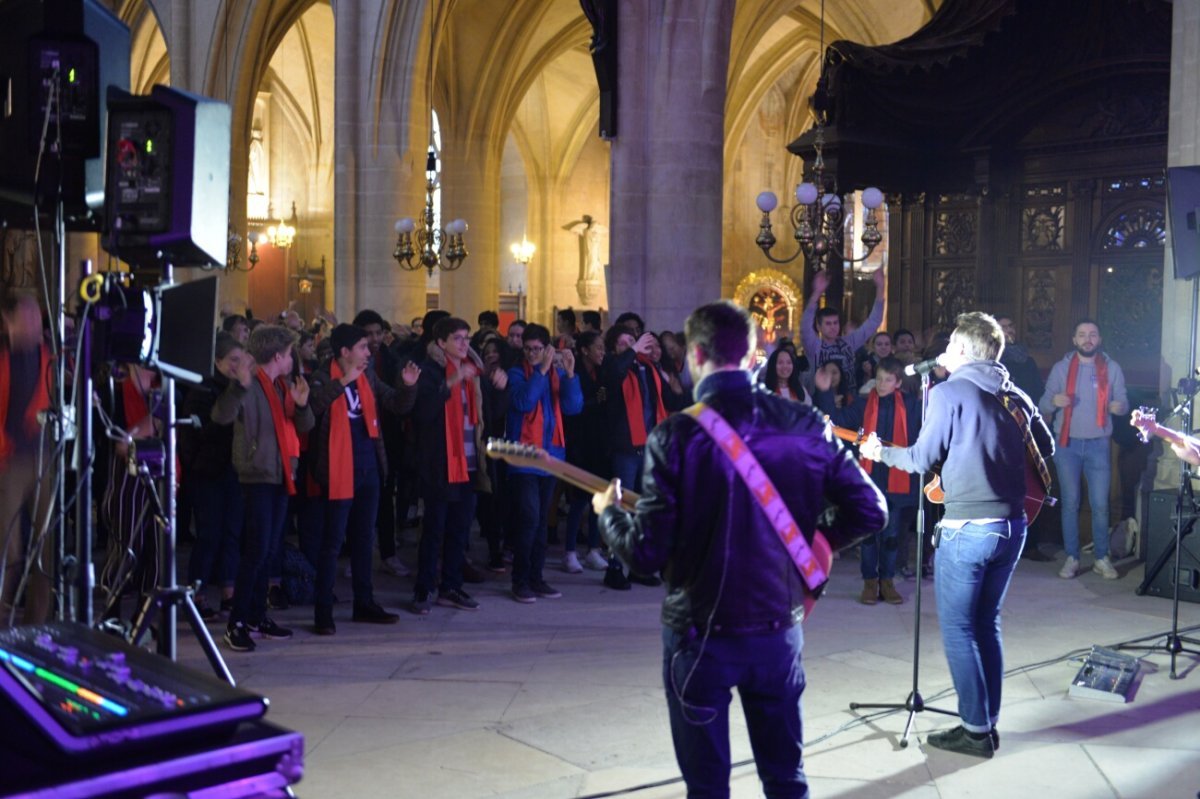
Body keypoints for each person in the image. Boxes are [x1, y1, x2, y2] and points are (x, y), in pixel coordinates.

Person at [594, 300, 886, 797]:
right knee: (786, 780)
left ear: (695, 354)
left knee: (707, 788)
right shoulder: (806, 423)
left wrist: (609, 516)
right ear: (754, 356)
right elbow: (871, 510)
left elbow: (645, 553)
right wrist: (815, 541)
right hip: (777, 627)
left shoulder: (676, 433)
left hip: (700, 632)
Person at [861, 311, 1054, 758]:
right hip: (1012, 527)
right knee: (988, 623)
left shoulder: (949, 393)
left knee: (959, 629)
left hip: (967, 528)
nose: (943, 352)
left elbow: (919, 458)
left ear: (964, 351)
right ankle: (986, 722)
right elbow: (1046, 448)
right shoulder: (1015, 394)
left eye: (950, 345)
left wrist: (879, 451)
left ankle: (973, 731)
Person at [305, 324, 419, 633]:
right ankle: (323, 610)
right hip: (339, 469)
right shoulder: (321, 376)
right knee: (331, 543)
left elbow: (395, 404)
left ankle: (364, 603)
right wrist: (343, 382)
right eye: (363, 348)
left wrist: (408, 387)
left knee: (364, 539)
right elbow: (312, 409)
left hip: (369, 466)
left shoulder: (368, 376)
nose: (370, 352)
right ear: (345, 352)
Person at [213, 324, 314, 652]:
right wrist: (238, 388)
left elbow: (306, 426)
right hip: (257, 475)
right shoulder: (250, 384)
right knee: (256, 552)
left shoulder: (282, 385)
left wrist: (301, 405)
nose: (292, 360)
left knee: (269, 552)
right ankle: (237, 622)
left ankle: (257, 615)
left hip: (282, 473)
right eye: (288, 355)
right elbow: (221, 416)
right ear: (276, 356)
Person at [816, 356, 918, 604]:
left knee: (892, 535)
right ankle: (870, 582)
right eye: (879, 378)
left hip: (896, 482)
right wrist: (825, 392)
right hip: (870, 478)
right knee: (870, 534)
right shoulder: (864, 404)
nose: (882, 384)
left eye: (887, 380)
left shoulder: (911, 405)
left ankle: (888, 582)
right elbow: (836, 420)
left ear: (897, 383)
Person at [1038, 319, 1128, 580]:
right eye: (1082, 335)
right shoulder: (1060, 368)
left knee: (1100, 504)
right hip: (1067, 445)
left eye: (1092, 335)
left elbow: (1123, 400)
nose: (1088, 339)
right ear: (1075, 340)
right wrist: (1053, 401)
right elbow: (1044, 404)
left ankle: (1101, 558)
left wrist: (1119, 407)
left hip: (1099, 444)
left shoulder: (1112, 368)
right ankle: (1072, 558)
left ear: (1099, 340)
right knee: (1070, 503)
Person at [505, 323, 582, 602]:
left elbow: (574, 407)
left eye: (538, 349)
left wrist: (571, 373)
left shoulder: (558, 374)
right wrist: (540, 371)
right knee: (528, 519)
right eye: (528, 349)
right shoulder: (517, 373)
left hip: (551, 456)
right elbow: (524, 402)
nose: (532, 353)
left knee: (540, 522)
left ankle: (536, 578)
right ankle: (520, 580)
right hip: (523, 459)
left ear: (547, 348)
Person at [0, 290, 54, 627]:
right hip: (9, 462)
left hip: (43, 458)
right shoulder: (3, 355)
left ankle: (38, 626)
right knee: (8, 549)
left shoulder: (47, 355)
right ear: (9, 321)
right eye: (29, 315)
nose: (36, 322)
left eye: (37, 315)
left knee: (47, 548)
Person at [800, 268, 885, 395]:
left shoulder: (848, 342)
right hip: (821, 400)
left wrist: (880, 288)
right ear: (819, 327)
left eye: (835, 323)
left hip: (848, 400)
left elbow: (873, 323)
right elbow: (805, 326)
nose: (833, 327)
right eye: (828, 324)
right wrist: (817, 293)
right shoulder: (814, 345)